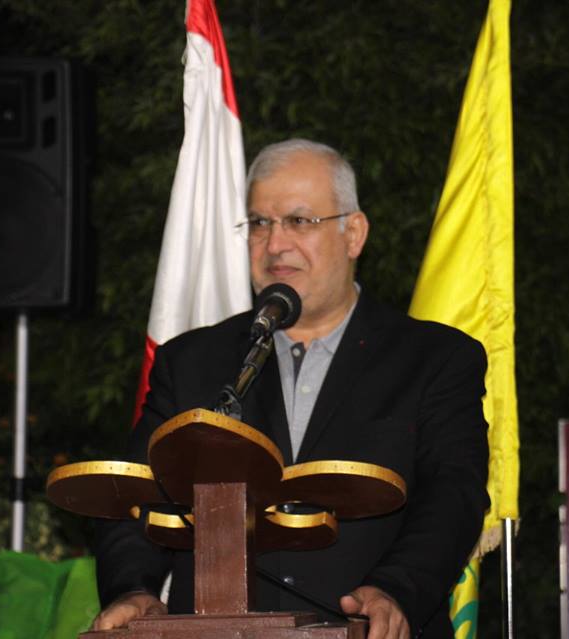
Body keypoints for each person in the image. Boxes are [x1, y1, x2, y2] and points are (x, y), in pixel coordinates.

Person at [91, 139, 490, 639]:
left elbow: (453, 496)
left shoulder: (433, 358)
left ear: (354, 234)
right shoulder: (193, 361)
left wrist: (396, 591)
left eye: (299, 221)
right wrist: (133, 590)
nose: (275, 244)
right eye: (260, 223)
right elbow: (137, 496)